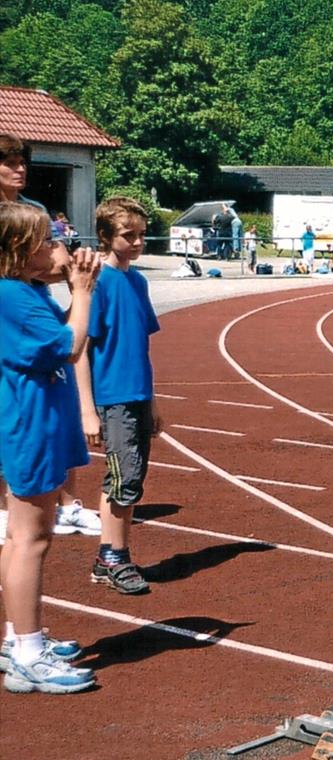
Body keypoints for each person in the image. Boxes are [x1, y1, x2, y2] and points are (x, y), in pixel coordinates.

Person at [0, 202, 100, 694]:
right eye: (45, 241)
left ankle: (17, 639)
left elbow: (58, 332)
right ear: (18, 252)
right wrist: (80, 291)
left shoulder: (24, 290)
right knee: (31, 539)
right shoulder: (11, 295)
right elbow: (71, 346)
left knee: (20, 536)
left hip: (34, 421)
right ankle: (28, 652)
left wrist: (72, 290)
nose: (57, 248)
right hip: (30, 426)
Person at [0, 135, 97, 536]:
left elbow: (50, 262)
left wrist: (69, 276)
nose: (19, 168)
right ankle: (12, 509)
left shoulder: (34, 209)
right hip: (13, 313)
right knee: (20, 412)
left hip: (33, 302)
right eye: (9, 162)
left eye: (22, 161)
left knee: (57, 407)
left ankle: (67, 502)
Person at [78, 197, 163, 596]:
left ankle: (108, 556)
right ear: (107, 238)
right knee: (122, 478)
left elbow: (142, 347)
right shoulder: (100, 284)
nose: (138, 242)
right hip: (112, 398)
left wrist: (154, 401)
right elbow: (80, 351)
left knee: (130, 478)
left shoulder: (138, 281)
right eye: (129, 236)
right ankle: (115, 556)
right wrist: (87, 413)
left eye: (142, 235)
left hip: (138, 394)